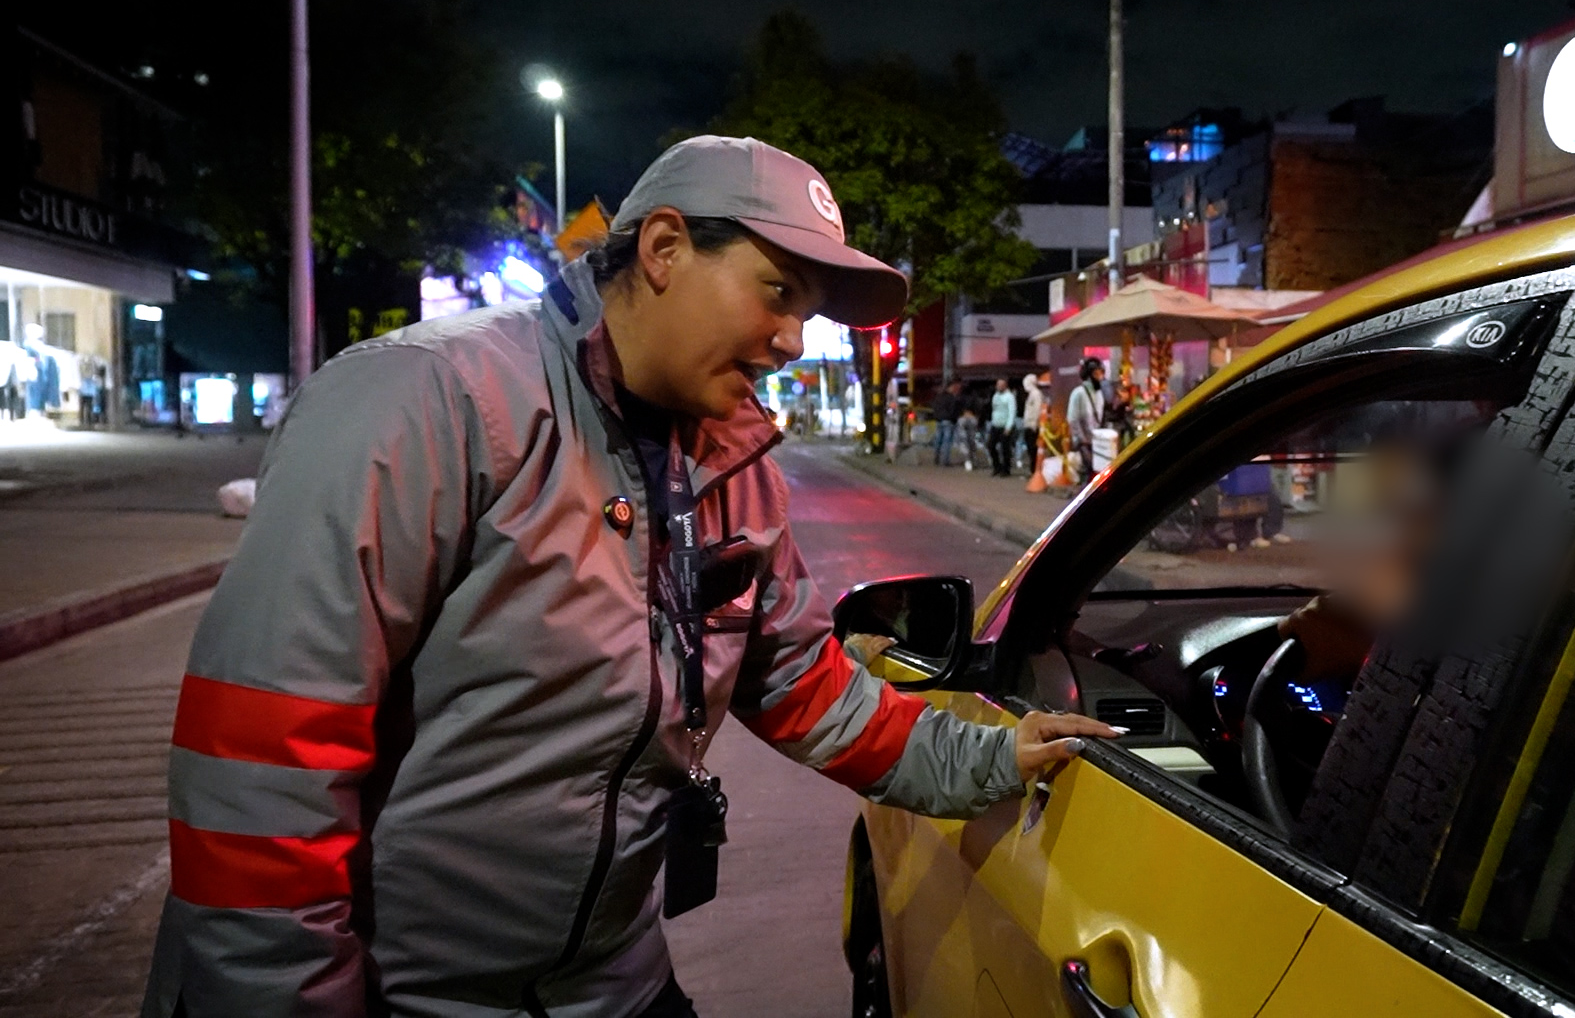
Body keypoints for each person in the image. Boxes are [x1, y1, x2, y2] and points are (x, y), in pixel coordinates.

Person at [141, 136, 1115, 1018]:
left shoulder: (735, 475)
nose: (792, 340)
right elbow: (262, 767)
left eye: (807, 315)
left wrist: (994, 757)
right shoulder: (423, 403)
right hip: (408, 999)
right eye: (777, 292)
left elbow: (804, 690)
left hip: (612, 987)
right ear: (662, 249)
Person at [1066, 357, 1105, 484]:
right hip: (1084, 443)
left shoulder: (1099, 394)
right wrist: (1080, 442)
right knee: (1088, 474)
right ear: (1088, 376)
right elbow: (1073, 419)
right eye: (1097, 374)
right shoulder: (1078, 393)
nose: (1100, 377)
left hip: (1097, 442)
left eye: (1101, 373)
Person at [987, 377, 1018, 477]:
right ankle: (997, 466)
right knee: (990, 446)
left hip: (1005, 426)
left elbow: (1012, 412)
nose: (999, 386)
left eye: (1001, 385)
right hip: (995, 425)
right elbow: (994, 409)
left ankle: (1006, 469)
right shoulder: (995, 396)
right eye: (998, 384)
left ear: (1005, 386)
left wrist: (1009, 427)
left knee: (1005, 449)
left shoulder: (1010, 397)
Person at [931, 379, 963, 465]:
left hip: (939, 420)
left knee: (938, 440)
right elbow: (953, 410)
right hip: (948, 421)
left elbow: (934, 407)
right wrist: (953, 419)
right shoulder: (951, 398)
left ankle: (936, 458)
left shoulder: (939, 397)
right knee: (947, 441)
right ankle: (945, 460)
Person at [1020, 373, 1045, 474]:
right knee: (1030, 449)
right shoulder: (1032, 394)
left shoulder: (1036, 394)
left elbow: (1037, 409)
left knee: (1033, 449)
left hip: (1032, 426)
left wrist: (1035, 424)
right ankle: (1032, 470)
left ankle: (1034, 470)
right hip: (1029, 425)